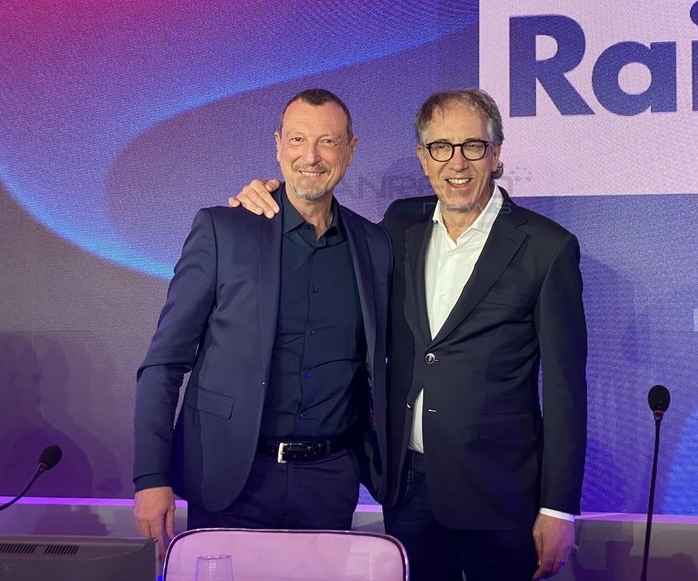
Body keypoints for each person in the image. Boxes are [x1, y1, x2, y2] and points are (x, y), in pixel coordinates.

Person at [234, 88, 587, 580]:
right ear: (423, 158)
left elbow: (566, 391)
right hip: (408, 488)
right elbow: (318, 217)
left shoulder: (547, 247)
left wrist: (558, 507)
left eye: (473, 146)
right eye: (440, 147)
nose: (456, 162)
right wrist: (268, 195)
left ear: (496, 153)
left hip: (502, 495)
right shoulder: (399, 226)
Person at [134, 89, 391, 556]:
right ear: (277, 145)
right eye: (297, 139)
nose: (310, 157)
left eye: (328, 141)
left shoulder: (374, 245)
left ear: (351, 149)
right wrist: (152, 477)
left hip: (329, 483)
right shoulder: (224, 229)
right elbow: (164, 362)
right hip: (232, 479)